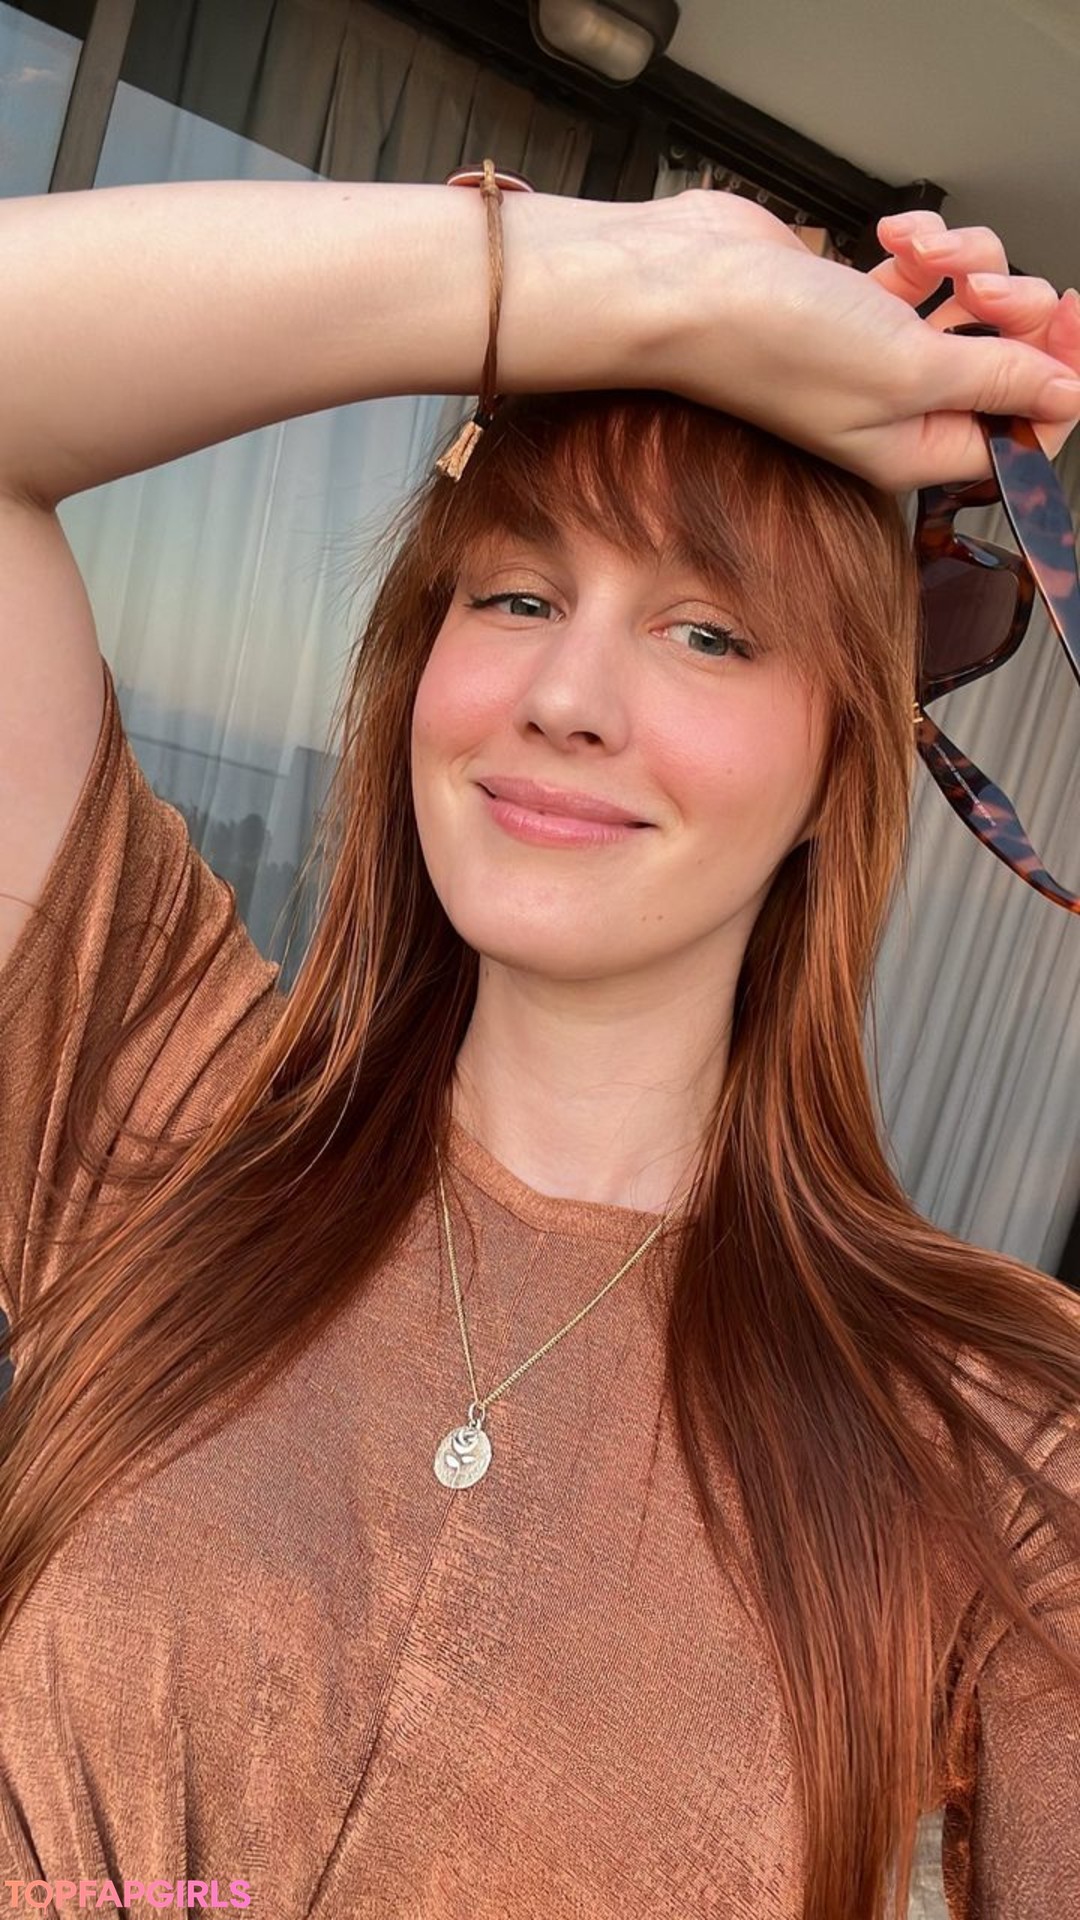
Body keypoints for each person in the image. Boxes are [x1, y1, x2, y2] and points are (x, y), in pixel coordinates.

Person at [0, 172, 1078, 1920]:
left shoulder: (995, 1425)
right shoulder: (166, 1115)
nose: (565, 699)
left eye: (708, 631)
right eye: (513, 597)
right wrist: (639, 276)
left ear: (840, 771)